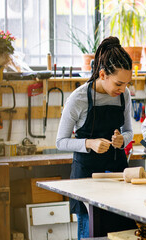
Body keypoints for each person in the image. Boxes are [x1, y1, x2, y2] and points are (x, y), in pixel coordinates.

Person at [56, 36, 134, 240]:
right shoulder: (79, 98)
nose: (123, 89)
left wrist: (122, 140)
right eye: (119, 83)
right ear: (102, 74)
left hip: (117, 175)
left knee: (119, 234)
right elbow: (60, 141)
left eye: (127, 83)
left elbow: (129, 132)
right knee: (91, 233)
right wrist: (89, 143)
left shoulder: (124, 96)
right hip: (86, 177)